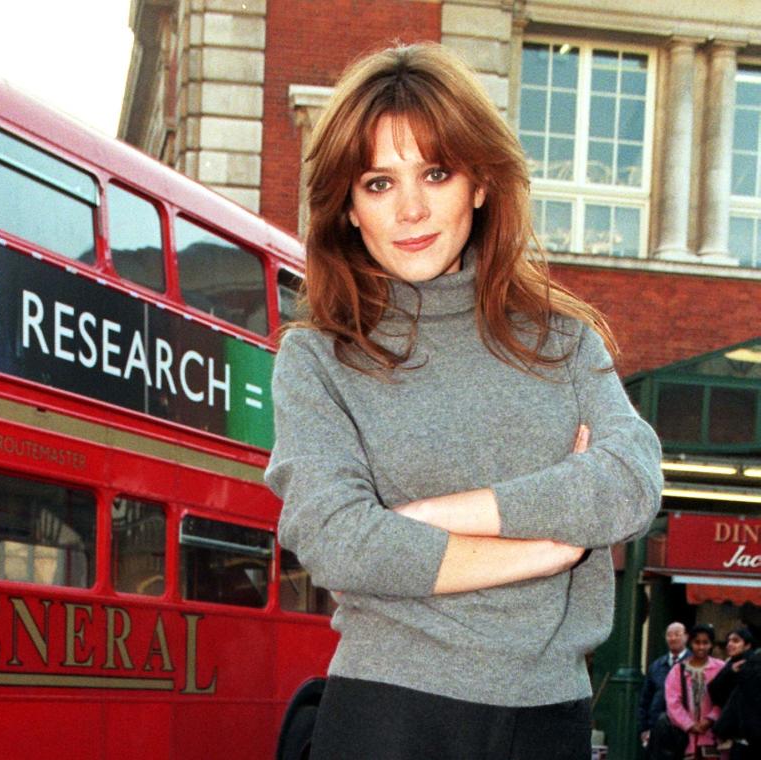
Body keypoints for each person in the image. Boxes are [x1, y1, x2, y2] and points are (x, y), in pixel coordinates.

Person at [264, 42, 663, 760]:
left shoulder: (563, 341)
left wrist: (437, 519)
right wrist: (550, 547)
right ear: (348, 209)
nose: (411, 208)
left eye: (436, 173)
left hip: (550, 720)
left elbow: (630, 483)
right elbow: (337, 540)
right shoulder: (320, 357)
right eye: (378, 184)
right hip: (390, 717)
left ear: (480, 184)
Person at [665, 624, 726, 759]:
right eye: (697, 642)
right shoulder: (678, 670)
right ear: (690, 643)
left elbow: (726, 698)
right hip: (685, 738)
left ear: (711, 644)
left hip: (714, 737)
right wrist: (689, 725)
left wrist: (710, 719)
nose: (701, 647)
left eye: (705, 643)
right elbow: (673, 703)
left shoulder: (721, 668)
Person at [641, 623, 691, 755]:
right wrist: (644, 728)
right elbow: (645, 699)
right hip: (657, 729)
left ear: (686, 637)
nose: (673, 638)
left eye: (677, 634)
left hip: (685, 730)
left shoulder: (693, 663)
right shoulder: (656, 666)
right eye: (669, 635)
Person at [712, 628, 759, 760]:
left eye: (736, 641)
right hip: (735, 736)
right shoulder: (731, 665)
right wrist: (730, 672)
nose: (730, 644)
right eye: (729, 641)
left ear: (748, 645)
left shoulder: (753, 665)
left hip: (748, 736)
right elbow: (715, 691)